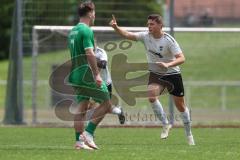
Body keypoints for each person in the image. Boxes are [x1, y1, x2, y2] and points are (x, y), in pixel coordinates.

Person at [109, 14, 195, 145]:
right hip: (156, 73)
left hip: (173, 74)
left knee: (180, 106)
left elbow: (182, 58)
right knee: (151, 96)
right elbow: (127, 35)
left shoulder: (168, 40)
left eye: (152, 24)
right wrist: (116, 27)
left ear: (160, 25)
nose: (149, 26)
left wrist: (167, 64)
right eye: (148, 24)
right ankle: (165, 124)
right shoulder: (145, 36)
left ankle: (189, 134)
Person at [68, 1, 112, 150]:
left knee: (82, 107)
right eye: (94, 12)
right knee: (107, 104)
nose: (95, 14)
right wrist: (97, 75)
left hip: (75, 74)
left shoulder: (73, 31)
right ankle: (88, 133)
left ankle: (79, 142)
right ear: (91, 12)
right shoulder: (86, 30)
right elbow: (89, 53)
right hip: (86, 75)